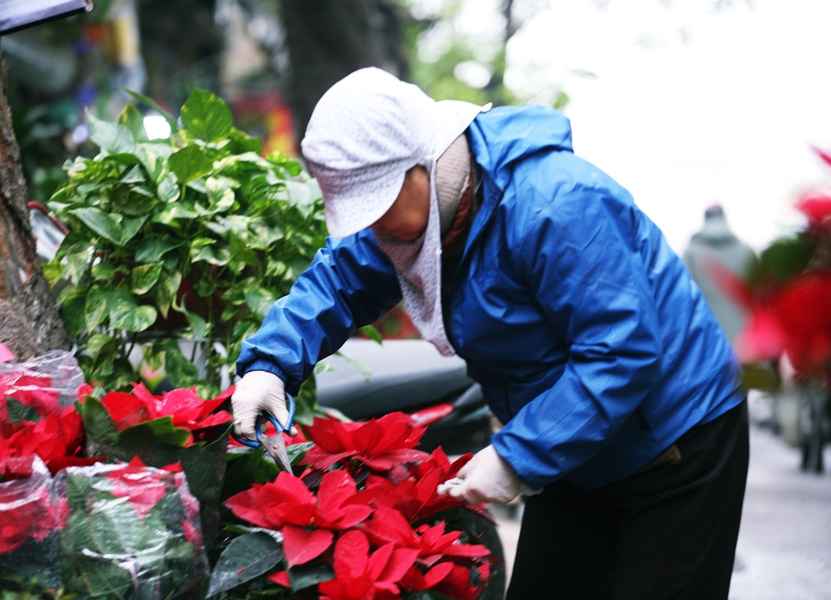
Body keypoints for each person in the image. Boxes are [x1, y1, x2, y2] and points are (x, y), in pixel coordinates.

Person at [231, 67, 749, 599]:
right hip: (568, 438)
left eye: (380, 202)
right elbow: (339, 280)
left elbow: (619, 351)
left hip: (674, 438)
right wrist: (270, 364)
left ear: (423, 164)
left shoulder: (555, 202)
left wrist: (516, 457)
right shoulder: (408, 222)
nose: (372, 224)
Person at [683, 204, 757, 344]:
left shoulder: (691, 253)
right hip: (746, 341)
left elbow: (684, 297)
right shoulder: (747, 251)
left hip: (709, 339)